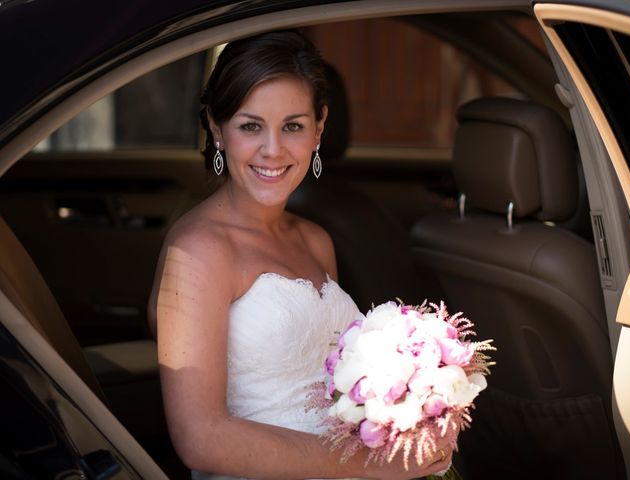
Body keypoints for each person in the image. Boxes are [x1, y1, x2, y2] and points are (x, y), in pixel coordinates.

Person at [148, 30, 453, 479]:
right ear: (216, 127)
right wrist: (371, 465)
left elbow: (332, 386)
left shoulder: (315, 240)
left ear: (319, 128)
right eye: (250, 126)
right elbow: (201, 438)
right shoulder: (198, 251)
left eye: (292, 126)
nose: (273, 150)